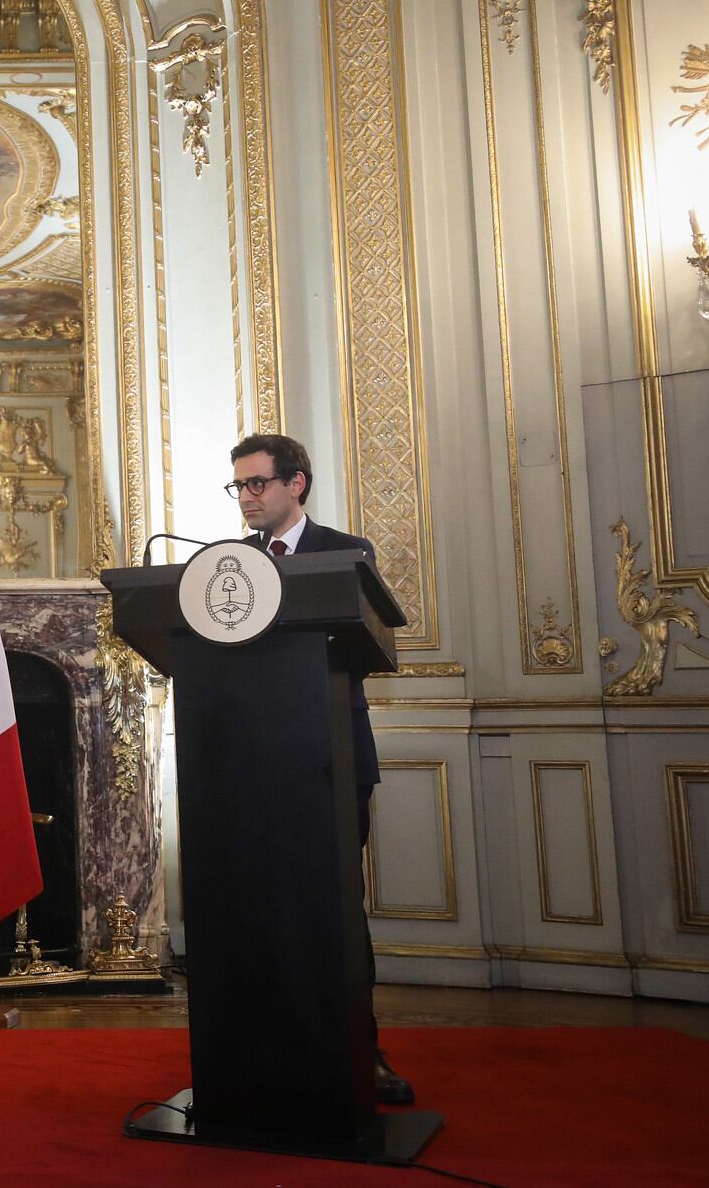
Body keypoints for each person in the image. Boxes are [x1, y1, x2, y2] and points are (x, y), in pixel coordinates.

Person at [226, 432, 414, 1107]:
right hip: (250, 767)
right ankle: (267, 1046)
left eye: (256, 484)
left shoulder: (344, 552)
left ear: (295, 483)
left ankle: (361, 1050)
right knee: (255, 908)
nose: (246, 498)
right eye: (239, 487)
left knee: (333, 906)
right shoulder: (229, 569)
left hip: (329, 756)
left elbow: (363, 652)